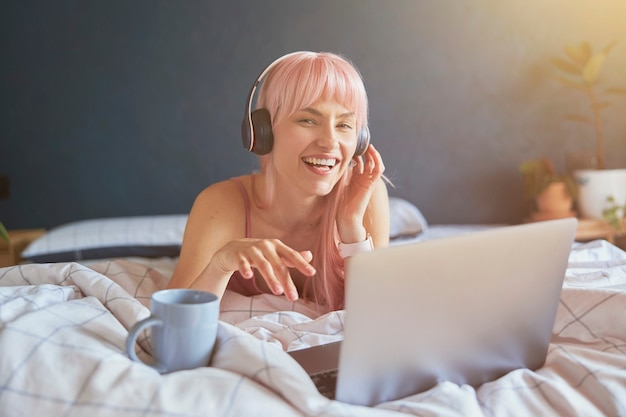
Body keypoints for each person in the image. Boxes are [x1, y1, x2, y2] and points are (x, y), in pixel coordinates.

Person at [168, 51, 389, 312]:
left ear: (360, 139)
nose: (330, 142)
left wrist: (352, 227)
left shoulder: (365, 196)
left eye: (344, 125)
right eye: (308, 120)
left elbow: (377, 315)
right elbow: (171, 320)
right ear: (262, 132)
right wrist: (220, 265)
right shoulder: (221, 204)